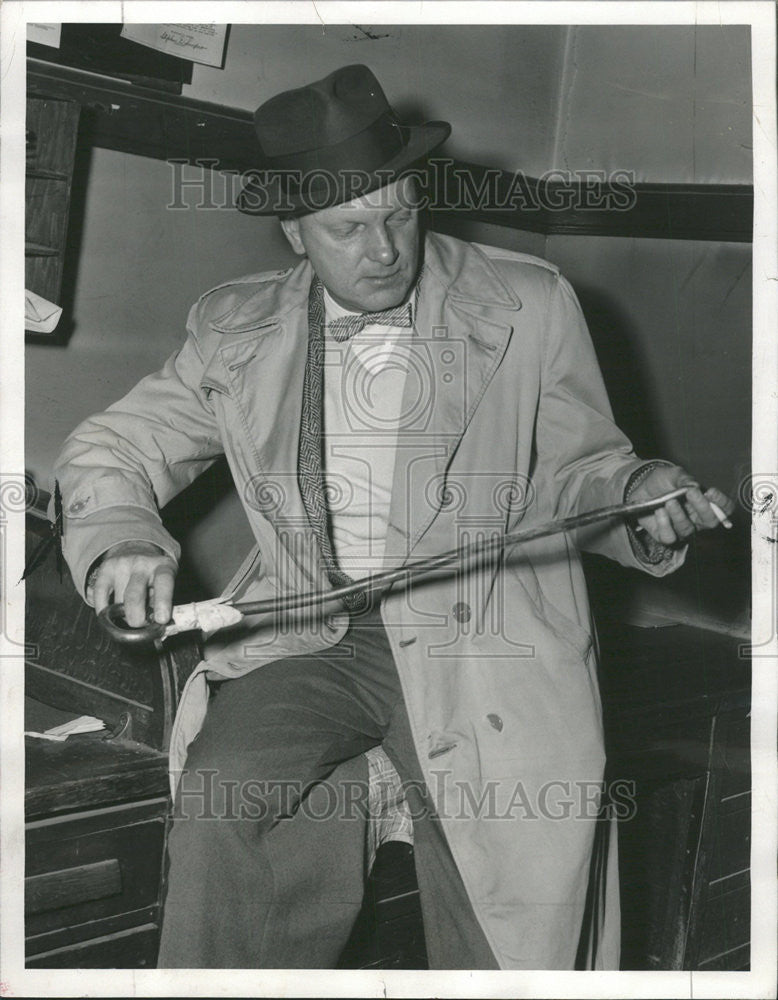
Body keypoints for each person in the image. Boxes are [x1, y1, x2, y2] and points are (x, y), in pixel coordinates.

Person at [53, 64, 735, 970]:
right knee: (227, 798)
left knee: (501, 861)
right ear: (295, 233)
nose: (383, 249)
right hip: (315, 631)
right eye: (348, 228)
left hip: (485, 632)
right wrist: (127, 538)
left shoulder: (527, 303)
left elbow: (586, 470)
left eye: (401, 213)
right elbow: (114, 450)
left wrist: (642, 498)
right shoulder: (232, 326)